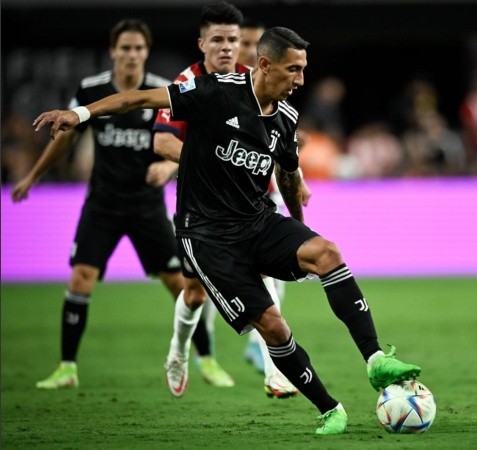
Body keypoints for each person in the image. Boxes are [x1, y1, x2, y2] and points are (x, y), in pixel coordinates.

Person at [34, 25, 423, 435]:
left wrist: (299, 231)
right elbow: (138, 99)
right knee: (272, 324)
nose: (300, 80)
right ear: (265, 65)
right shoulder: (214, 91)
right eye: (293, 70)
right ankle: (330, 409)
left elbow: (288, 175)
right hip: (206, 236)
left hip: (257, 221)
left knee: (326, 252)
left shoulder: (286, 118)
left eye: (304, 70)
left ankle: (376, 360)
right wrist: (78, 114)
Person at [10, 19, 181, 389]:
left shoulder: (162, 94)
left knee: (178, 283)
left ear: (146, 53)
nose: (132, 54)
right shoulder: (92, 89)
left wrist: (169, 165)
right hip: (103, 204)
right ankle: (67, 367)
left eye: (138, 48)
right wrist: (33, 176)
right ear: (113, 51)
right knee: (80, 277)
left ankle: (203, 358)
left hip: (147, 206)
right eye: (126, 48)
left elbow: (185, 140)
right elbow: (65, 139)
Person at [151, 0, 243, 390]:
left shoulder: (251, 80)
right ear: (202, 44)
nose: (226, 47)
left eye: (233, 40)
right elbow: (161, 142)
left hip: (244, 205)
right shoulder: (185, 85)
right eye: (218, 40)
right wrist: (203, 159)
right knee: (194, 292)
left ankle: (275, 368)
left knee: (264, 275)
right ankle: (178, 350)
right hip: (198, 207)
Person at [235, 15, 301, 397]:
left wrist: (300, 180)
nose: (238, 48)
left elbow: (283, 146)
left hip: (263, 197)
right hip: (217, 207)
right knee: (192, 292)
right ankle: (190, 351)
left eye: (245, 42)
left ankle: (263, 354)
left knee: (275, 278)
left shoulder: (277, 97)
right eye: (235, 41)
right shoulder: (212, 87)